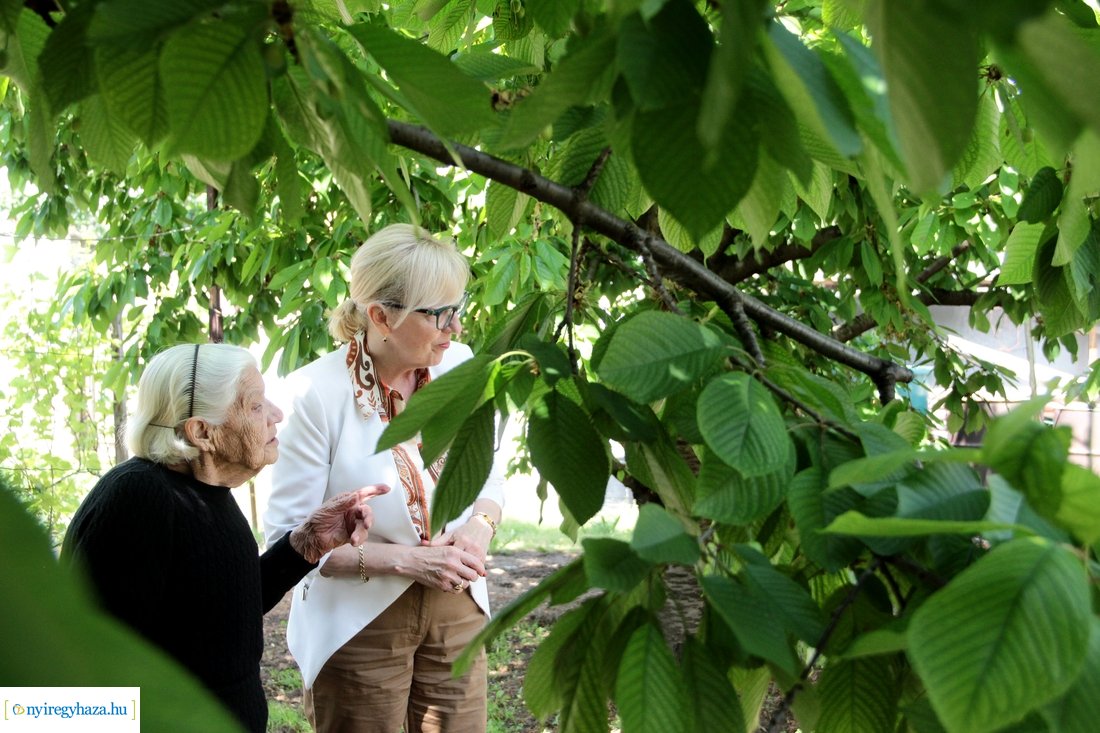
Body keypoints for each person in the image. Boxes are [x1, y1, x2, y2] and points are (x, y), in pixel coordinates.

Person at [61, 343, 389, 733]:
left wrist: (307, 543)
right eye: (255, 406)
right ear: (202, 432)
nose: (276, 415)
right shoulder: (139, 499)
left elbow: (224, 611)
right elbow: (93, 661)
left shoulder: (203, 492)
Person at [264, 223, 505, 733]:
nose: (456, 328)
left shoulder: (460, 366)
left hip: (457, 607)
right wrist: (409, 560)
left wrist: (479, 525)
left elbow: (489, 469)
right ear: (381, 316)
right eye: (440, 314)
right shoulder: (314, 394)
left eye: (458, 308)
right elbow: (290, 543)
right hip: (359, 622)